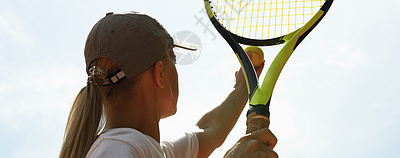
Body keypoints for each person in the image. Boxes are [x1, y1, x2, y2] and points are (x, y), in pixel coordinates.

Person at [59, 12, 278, 158]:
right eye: (173, 58)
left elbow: (209, 129)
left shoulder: (146, 149)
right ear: (160, 73)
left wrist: (242, 86)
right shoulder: (118, 149)